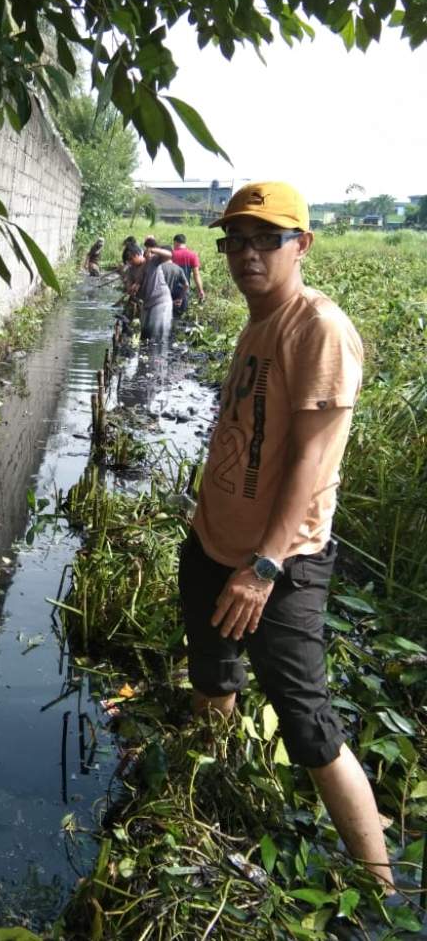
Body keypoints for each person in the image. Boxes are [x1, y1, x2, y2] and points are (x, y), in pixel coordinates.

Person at [178, 181, 393, 890]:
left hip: (279, 564)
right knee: (212, 672)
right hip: (215, 546)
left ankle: (382, 885)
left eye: (265, 239)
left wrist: (263, 566)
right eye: (234, 239)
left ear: (301, 244)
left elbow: (312, 460)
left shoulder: (317, 326)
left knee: (307, 721)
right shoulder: (256, 320)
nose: (246, 254)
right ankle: (212, 783)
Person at [123, 241, 172, 340]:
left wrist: (152, 250)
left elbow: (169, 255)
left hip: (160, 301)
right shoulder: (131, 270)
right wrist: (132, 288)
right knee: (146, 333)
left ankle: (159, 353)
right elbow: (129, 287)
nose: (130, 262)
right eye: (128, 261)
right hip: (146, 304)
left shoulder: (151, 260)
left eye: (131, 259)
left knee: (157, 331)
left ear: (137, 255)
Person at [148, 237, 189, 317]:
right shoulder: (178, 269)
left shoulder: (157, 268)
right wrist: (180, 299)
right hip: (172, 301)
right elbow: (186, 285)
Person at [172, 233, 205, 304]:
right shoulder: (192, 255)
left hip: (170, 290)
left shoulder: (171, 254)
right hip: (184, 290)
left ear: (175, 242)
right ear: (184, 243)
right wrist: (200, 290)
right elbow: (196, 275)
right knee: (181, 313)